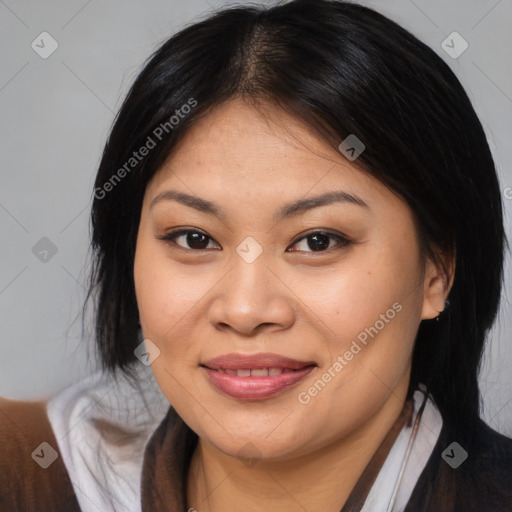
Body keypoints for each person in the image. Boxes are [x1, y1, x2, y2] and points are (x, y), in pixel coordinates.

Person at [1, 0, 511, 510]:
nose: (244, 311)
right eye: (194, 239)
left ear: (437, 272)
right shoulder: (26, 473)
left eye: (317, 241)